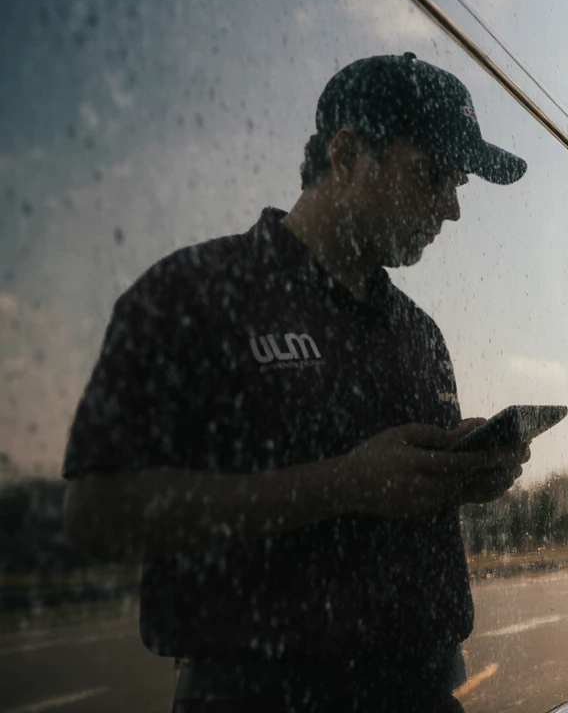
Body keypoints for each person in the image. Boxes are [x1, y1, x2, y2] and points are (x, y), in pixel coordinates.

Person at [62, 53, 529, 713]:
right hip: (259, 693)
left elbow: (401, 494)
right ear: (345, 156)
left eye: (459, 183)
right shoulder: (193, 295)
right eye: (430, 175)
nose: (451, 209)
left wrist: (466, 474)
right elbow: (96, 515)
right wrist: (345, 483)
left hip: (429, 687)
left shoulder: (418, 334)